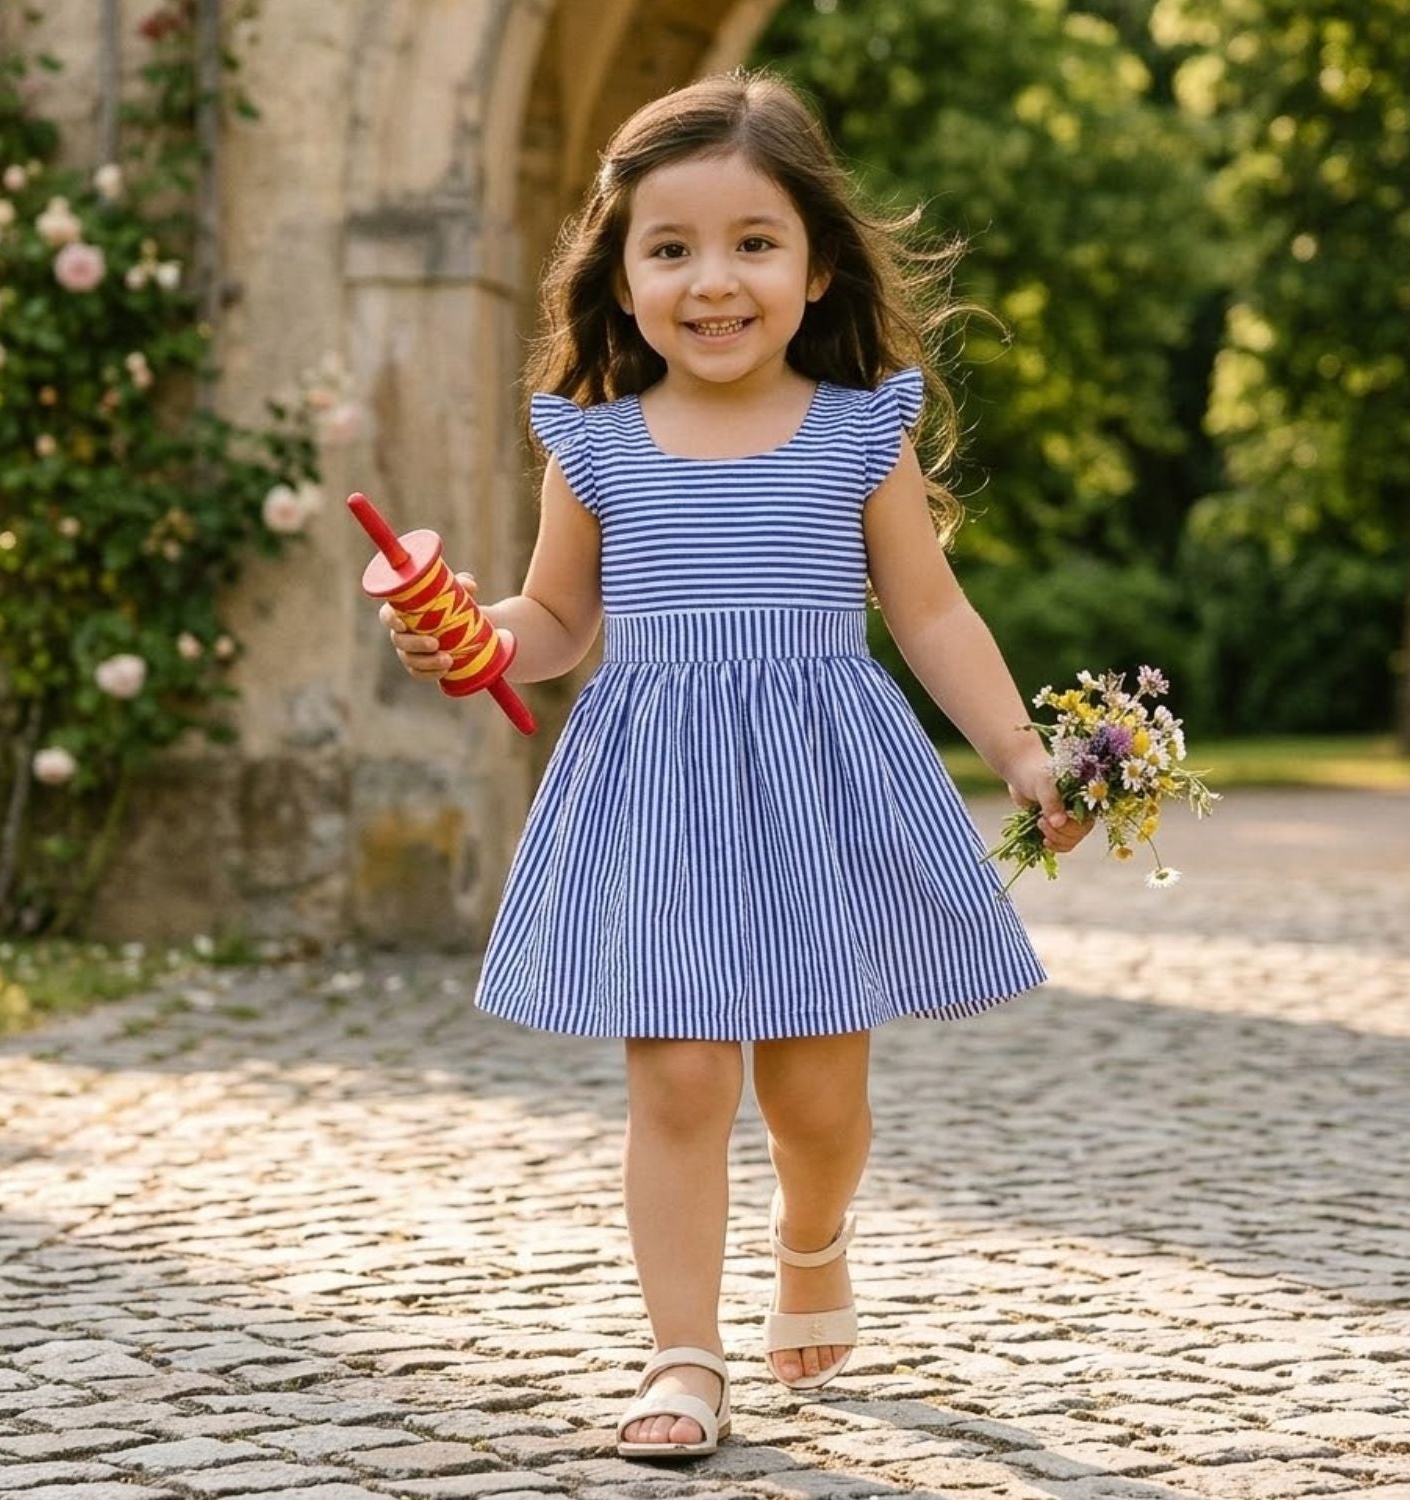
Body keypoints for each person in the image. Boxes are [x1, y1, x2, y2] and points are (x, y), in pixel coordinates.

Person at [379, 67, 1095, 1461]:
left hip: (820, 797)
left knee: (815, 1097)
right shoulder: (592, 446)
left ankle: (813, 1234)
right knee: (684, 1077)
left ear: (816, 267)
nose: (714, 280)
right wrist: (471, 635)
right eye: (672, 247)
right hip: (657, 799)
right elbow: (559, 621)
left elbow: (931, 609)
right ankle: (683, 1355)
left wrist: (1017, 749)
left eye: (752, 243)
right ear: (623, 273)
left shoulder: (853, 431)